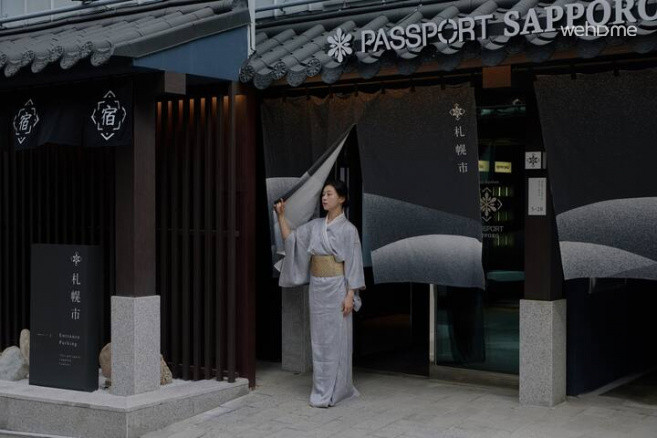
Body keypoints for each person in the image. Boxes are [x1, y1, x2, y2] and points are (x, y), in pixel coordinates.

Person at [274, 179, 366, 408]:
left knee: (337, 339)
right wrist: (281, 216)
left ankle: (338, 389)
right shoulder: (315, 226)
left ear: (341, 198)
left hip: (337, 288)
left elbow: (354, 263)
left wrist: (350, 295)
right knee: (319, 340)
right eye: (323, 194)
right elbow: (292, 240)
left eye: (329, 194)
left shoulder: (349, 230)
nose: (324, 198)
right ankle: (322, 388)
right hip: (317, 288)